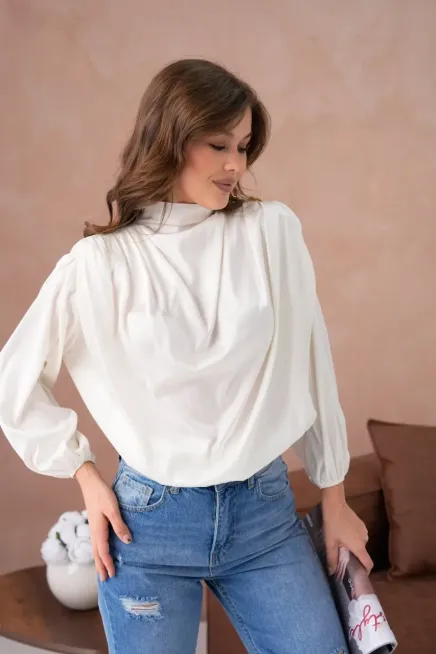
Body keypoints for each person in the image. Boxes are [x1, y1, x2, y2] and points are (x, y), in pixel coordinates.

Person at [0, 58, 373, 654]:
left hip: (263, 515)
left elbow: (312, 364)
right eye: (219, 145)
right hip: (147, 522)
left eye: (243, 147)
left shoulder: (271, 232)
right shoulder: (100, 263)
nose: (236, 165)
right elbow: (14, 381)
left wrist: (335, 496)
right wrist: (86, 477)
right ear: (170, 139)